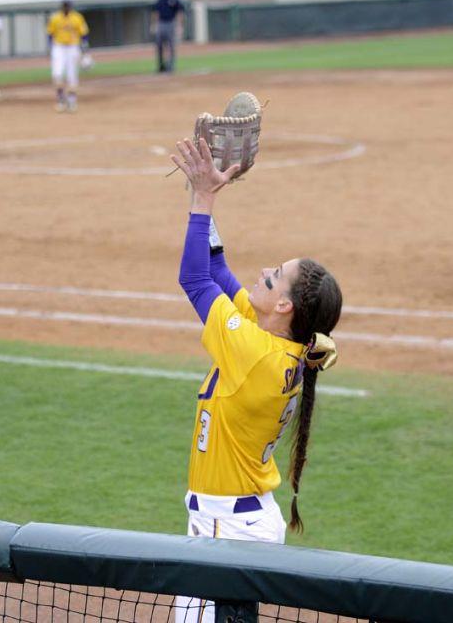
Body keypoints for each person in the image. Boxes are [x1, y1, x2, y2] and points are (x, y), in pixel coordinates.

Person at [170, 137, 342, 623]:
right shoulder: (275, 340)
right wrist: (201, 195)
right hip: (224, 523)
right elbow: (218, 266)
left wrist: (204, 201)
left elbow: (196, 280)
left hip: (231, 529)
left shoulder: (256, 353)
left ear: (284, 306)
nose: (264, 272)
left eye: (274, 277)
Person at [46, 0, 89, 113]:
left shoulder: (77, 18)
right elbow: (50, 34)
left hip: (72, 47)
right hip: (59, 47)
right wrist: (50, 48)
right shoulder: (55, 18)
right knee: (57, 73)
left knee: (72, 75)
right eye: (65, 7)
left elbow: (84, 34)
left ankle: (72, 100)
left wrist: (85, 52)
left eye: (68, 7)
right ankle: (60, 99)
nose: (66, 9)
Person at [150, 0, 184, 73]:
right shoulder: (160, 0)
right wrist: (154, 25)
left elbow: (180, 12)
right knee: (159, 45)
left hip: (171, 23)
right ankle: (161, 66)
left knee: (171, 45)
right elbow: (155, 13)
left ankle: (171, 66)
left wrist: (180, 25)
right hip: (161, 24)